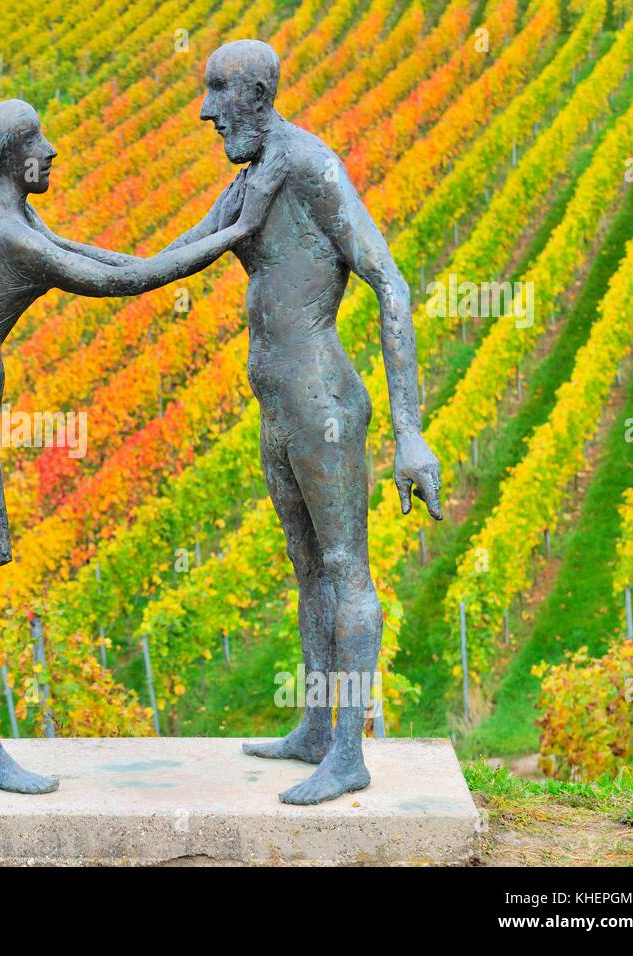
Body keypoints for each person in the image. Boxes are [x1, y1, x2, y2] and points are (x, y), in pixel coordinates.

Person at [0, 98, 278, 794]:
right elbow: (118, 281)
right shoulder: (4, 230)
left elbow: (106, 257)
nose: (53, 150)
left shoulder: (10, 216)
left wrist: (206, 235)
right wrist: (232, 234)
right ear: (11, 156)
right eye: (38, 140)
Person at [164, 40, 443, 804]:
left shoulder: (312, 164)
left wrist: (410, 429)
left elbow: (392, 284)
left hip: (323, 407)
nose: (206, 111)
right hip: (279, 409)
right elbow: (172, 260)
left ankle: (348, 753)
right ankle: (317, 729)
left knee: (346, 568)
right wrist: (45, 257)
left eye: (220, 94)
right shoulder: (255, 175)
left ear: (256, 93)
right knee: (308, 571)